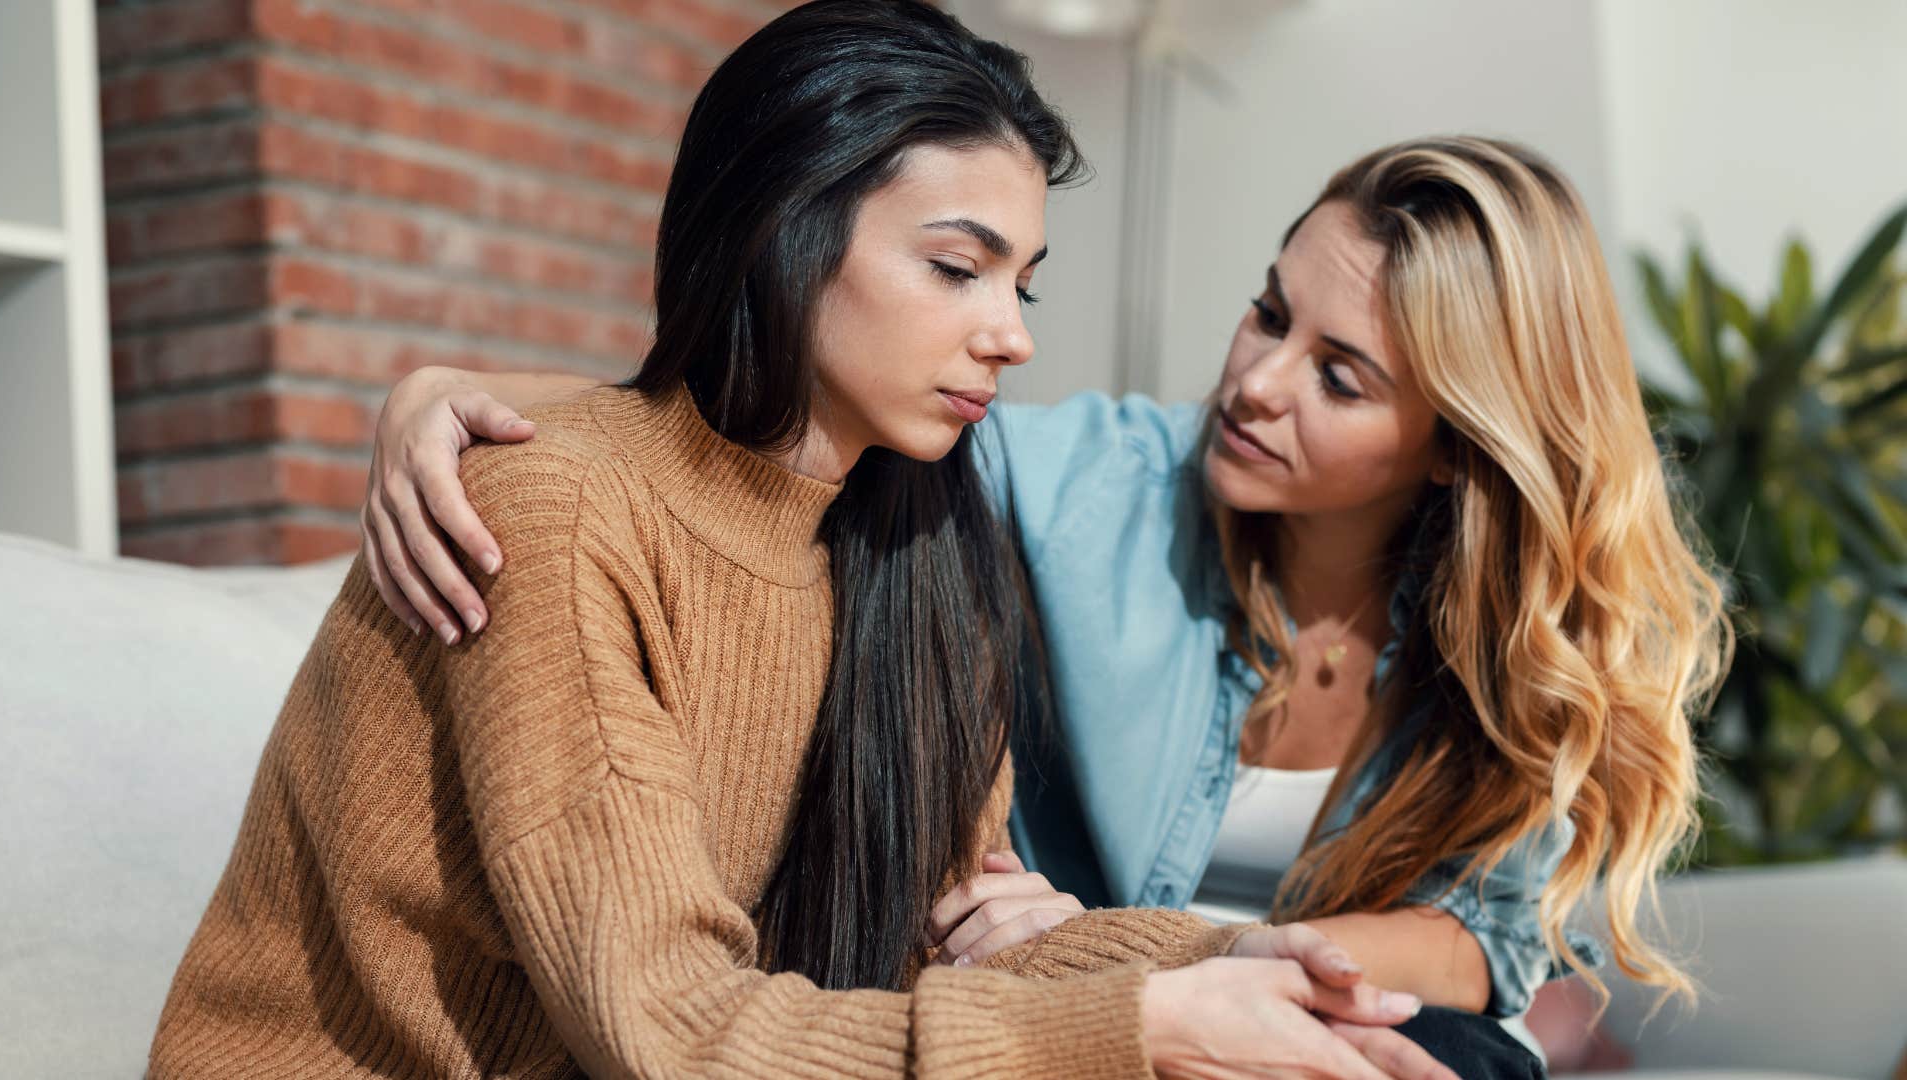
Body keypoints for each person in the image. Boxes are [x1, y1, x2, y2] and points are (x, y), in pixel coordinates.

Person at [149, 3, 1461, 1078]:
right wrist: (1140, 1027)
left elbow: (952, 943)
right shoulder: (551, 515)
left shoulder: (911, 546)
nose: (1013, 333)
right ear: (786, 230)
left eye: (1026, 281)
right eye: (959, 268)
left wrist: (1217, 967)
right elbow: (663, 1025)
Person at [371, 134, 1731, 1051]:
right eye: (1271, 313)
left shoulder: (1503, 648)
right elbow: (789, 442)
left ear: (1452, 445)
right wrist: (459, 398)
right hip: (1055, 1035)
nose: (1256, 382)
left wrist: (1217, 957)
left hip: (1243, 1012)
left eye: (1342, 375)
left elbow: (1488, 940)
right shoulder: (1094, 486)